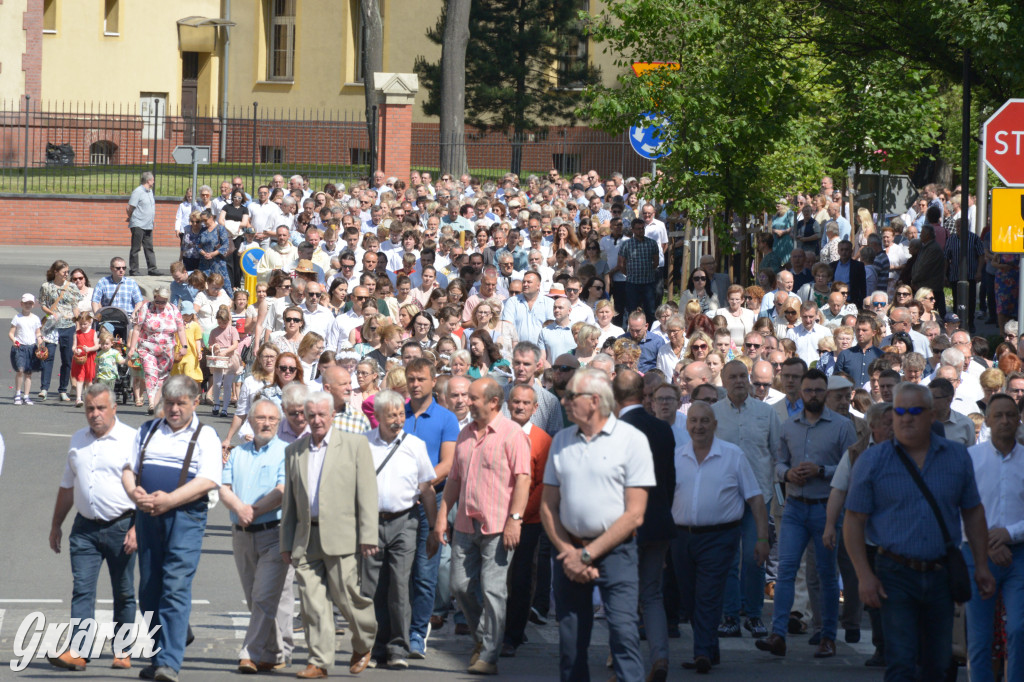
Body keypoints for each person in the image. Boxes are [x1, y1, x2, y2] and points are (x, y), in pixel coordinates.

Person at [844, 383, 995, 681]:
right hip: (894, 573)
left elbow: (973, 511)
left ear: (931, 416)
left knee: (937, 664)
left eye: (914, 411)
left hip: (941, 574)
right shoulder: (873, 461)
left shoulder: (956, 456)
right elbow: (853, 519)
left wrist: (980, 565)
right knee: (901, 660)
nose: (906, 418)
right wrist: (864, 575)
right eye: (899, 411)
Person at [540, 368, 655, 681]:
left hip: (617, 552)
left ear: (594, 400)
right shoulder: (561, 440)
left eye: (570, 395)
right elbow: (548, 506)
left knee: (624, 635)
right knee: (571, 644)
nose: (563, 400)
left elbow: (635, 514)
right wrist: (568, 552)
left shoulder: (632, 441)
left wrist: (587, 555)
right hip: (569, 552)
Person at [120, 376, 222, 681]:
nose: (174, 409)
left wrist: (171, 500)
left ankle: (168, 662)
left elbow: (208, 480)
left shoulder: (206, 436)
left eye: (181, 403)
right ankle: (161, 649)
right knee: (150, 589)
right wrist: (134, 493)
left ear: (194, 402)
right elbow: (129, 469)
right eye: (169, 403)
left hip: (185, 517)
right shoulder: (148, 430)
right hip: (148, 515)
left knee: (175, 585)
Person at [430, 377, 531, 675]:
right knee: (459, 586)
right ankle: (482, 638)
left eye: (473, 398)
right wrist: (441, 517)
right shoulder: (464, 435)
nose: (466, 402)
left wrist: (515, 519)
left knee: (494, 591)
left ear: (492, 402)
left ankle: (489, 653)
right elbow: (455, 480)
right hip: (465, 523)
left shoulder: (512, 434)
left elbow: (523, 479)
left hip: (499, 526)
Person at [279, 391, 379, 679]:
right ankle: (319, 661)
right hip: (305, 537)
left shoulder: (354, 444)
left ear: (333, 414)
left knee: (347, 598)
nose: (316, 420)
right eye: (311, 416)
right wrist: (286, 542)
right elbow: (290, 505)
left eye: (322, 414)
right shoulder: (294, 451)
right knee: (312, 603)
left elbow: (367, 493)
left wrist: (368, 534)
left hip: (342, 536)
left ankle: (363, 641)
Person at [757, 369, 856, 659]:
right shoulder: (789, 426)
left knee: (825, 574)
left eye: (818, 390)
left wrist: (820, 471)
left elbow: (850, 467)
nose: (813, 395)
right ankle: (778, 635)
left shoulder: (841, 426)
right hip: (796, 507)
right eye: (808, 390)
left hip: (827, 507)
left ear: (826, 393)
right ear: (800, 392)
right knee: (785, 571)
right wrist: (788, 473)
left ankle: (827, 636)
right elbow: (777, 463)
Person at [673, 401, 770, 672]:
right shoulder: (677, 456)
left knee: (707, 594)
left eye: (705, 421)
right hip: (681, 538)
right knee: (690, 598)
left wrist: (762, 539)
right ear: (687, 424)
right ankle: (710, 649)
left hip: (719, 537)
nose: (698, 426)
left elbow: (756, 499)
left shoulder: (733, 455)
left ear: (715, 425)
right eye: (693, 421)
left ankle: (702, 653)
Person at [47, 384, 137, 671]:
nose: (94, 414)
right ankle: (79, 651)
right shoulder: (77, 440)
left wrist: (139, 527)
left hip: (123, 525)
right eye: (89, 409)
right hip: (84, 529)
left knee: (123, 591)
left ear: (114, 408)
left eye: (100, 408)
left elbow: (145, 486)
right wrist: (56, 524)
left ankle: (122, 651)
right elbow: (67, 485)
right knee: (82, 590)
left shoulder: (132, 439)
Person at [359, 390, 437, 670]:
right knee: (370, 588)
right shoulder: (363, 444)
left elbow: (427, 489)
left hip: (405, 521)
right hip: (369, 523)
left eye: (401, 414)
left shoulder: (414, 445)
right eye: (391, 414)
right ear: (377, 416)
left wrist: (434, 528)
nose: (397, 419)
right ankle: (371, 647)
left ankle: (397, 648)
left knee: (399, 586)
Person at [220, 399, 294, 673]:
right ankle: (274, 652)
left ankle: (249, 652)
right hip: (241, 533)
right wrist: (240, 508)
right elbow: (224, 487)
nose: (266, 423)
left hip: (273, 534)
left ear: (279, 422)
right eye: (261, 418)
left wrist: (254, 509)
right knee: (255, 597)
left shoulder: (287, 452)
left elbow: (282, 489)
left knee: (263, 596)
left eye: (272, 419)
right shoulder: (238, 453)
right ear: (250, 421)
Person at [613, 371, 676, 681]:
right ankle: (660, 658)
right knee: (651, 596)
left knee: (623, 596)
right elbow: (670, 480)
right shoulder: (663, 429)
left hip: (625, 525)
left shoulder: (614, 430)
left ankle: (624, 662)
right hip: (659, 521)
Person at [713, 360, 782, 639]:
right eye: (734, 377)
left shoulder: (766, 413)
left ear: (751, 379)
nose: (740, 381)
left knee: (757, 557)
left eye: (744, 376)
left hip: (759, 496)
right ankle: (730, 616)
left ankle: (754, 616)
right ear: (724, 381)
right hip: (725, 496)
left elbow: (777, 453)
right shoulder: (713, 413)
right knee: (728, 559)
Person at [403, 357, 461, 658]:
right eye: (410, 379)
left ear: (432, 380)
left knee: (426, 573)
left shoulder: (446, 419)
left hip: (431, 502)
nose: (415, 384)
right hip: (398, 505)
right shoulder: (396, 414)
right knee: (400, 573)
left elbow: (448, 463)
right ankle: (399, 630)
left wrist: (419, 487)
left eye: (420, 379)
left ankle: (417, 633)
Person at [965, 394, 1024, 682]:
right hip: (977, 555)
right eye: (998, 415)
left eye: (1010, 415)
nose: (1005, 421)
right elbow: (957, 508)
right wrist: (987, 543)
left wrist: (1010, 533)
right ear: (986, 420)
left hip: (1019, 555)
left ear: (1018, 420)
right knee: (979, 634)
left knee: (1018, 629)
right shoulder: (970, 458)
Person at [500, 383, 554, 657]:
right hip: (495, 519)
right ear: (508, 403)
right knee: (496, 580)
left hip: (527, 522)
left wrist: (518, 516)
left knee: (521, 579)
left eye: (526, 403)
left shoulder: (543, 440)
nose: (520, 406)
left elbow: (543, 484)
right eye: (515, 401)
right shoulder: (497, 432)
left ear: (535, 408)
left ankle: (513, 634)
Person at [126, 287, 188, 415]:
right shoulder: (146, 308)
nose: (160, 305)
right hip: (148, 347)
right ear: (154, 298)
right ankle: (151, 403)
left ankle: (157, 401)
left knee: (162, 377)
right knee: (150, 373)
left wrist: (184, 346)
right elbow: (137, 328)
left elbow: (181, 329)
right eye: (158, 301)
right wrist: (132, 348)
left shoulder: (173, 309)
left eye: (163, 302)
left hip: (167, 349)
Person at [39, 260, 83, 402]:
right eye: (64, 272)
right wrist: (51, 314)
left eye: (67, 272)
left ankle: (63, 390)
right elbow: (43, 304)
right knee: (48, 356)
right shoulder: (46, 286)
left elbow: (75, 306)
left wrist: (78, 322)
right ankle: (44, 388)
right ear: (56, 272)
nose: (66, 274)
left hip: (68, 326)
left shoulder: (72, 287)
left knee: (67, 359)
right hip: (52, 326)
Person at [618, 218, 661, 323]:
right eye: (638, 229)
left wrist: (649, 271)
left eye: (642, 228)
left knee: (650, 311)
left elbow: (656, 261)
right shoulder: (626, 244)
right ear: (632, 230)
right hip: (632, 283)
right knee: (632, 310)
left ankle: (650, 332)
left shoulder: (652, 243)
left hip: (648, 283)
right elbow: (621, 263)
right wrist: (629, 274)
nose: (640, 231)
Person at [10, 293, 43, 405]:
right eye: (25, 303)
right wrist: (14, 340)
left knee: (28, 373)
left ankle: (26, 396)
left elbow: (38, 333)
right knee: (20, 370)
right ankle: (18, 393)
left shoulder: (36, 318)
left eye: (30, 303)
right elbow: (11, 333)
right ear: (21, 304)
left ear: (33, 305)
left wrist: (39, 340)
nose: (28, 305)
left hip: (32, 347)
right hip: (20, 347)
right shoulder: (17, 318)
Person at [127, 171, 160, 276]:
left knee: (149, 247)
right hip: (138, 224)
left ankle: (152, 269)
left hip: (148, 225)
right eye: (153, 180)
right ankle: (134, 270)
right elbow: (129, 207)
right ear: (148, 180)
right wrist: (131, 217)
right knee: (136, 248)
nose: (154, 182)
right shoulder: (138, 191)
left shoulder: (150, 191)